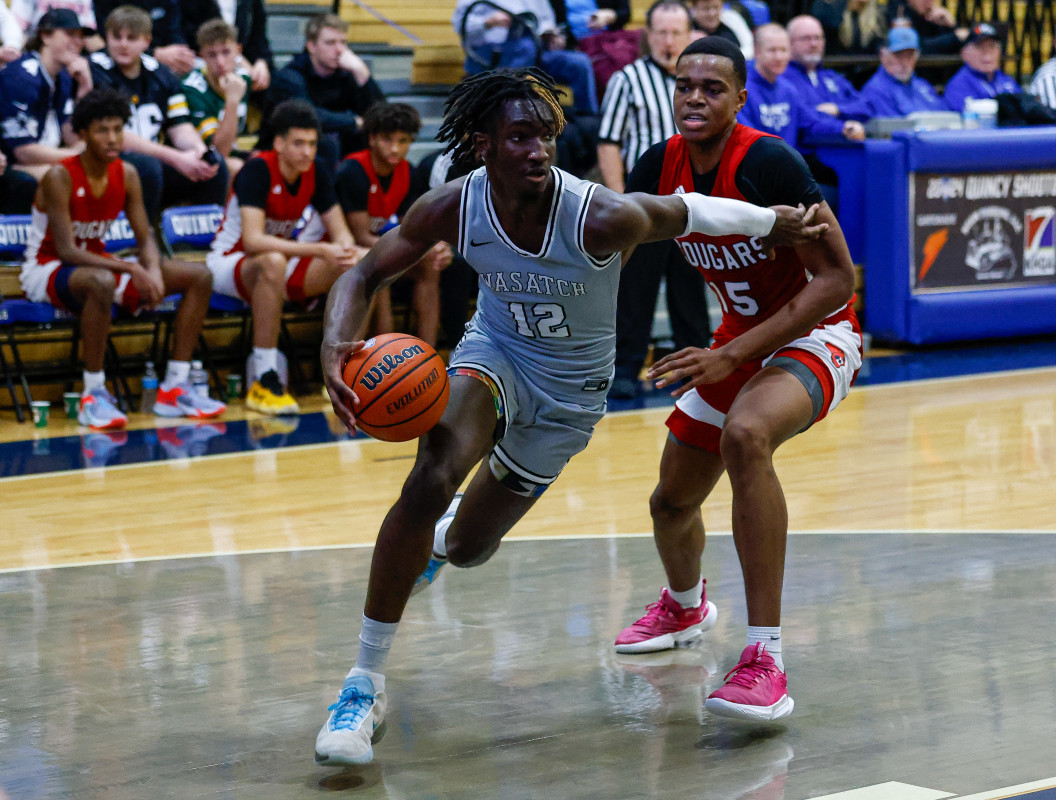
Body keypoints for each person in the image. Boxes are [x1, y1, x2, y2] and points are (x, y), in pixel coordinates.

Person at [312, 66, 829, 766]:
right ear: (482, 144)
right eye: (519, 136)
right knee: (430, 474)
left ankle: (438, 543)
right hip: (493, 356)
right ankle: (362, 684)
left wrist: (776, 221)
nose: (538, 150)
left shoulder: (597, 215)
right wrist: (336, 348)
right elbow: (360, 273)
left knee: (468, 548)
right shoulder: (453, 206)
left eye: (546, 137)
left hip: (568, 398)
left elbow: (689, 210)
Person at [612, 36, 860, 722]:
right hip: (737, 338)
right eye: (684, 85)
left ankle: (765, 658)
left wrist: (733, 352)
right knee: (670, 502)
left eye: (712, 88)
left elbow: (838, 276)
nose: (694, 97)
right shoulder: (656, 164)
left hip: (818, 331)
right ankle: (685, 610)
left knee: (746, 435)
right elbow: (618, 254)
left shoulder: (770, 162)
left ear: (740, 98)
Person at [21, 87, 226, 429]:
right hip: (47, 268)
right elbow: (68, 251)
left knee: (199, 276)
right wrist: (132, 268)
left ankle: (174, 386)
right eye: (103, 130)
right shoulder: (60, 175)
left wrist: (153, 270)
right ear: (83, 133)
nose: (113, 138)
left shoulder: (127, 173)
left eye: (118, 129)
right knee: (101, 281)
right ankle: (93, 393)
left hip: (95, 263)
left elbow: (145, 237)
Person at [207, 99, 364, 416]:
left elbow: (340, 230)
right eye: (298, 143)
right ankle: (265, 378)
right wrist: (322, 249)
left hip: (278, 264)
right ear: (278, 143)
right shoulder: (257, 170)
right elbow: (252, 242)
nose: (307, 151)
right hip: (229, 263)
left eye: (312, 143)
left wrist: (346, 248)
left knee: (362, 263)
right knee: (273, 261)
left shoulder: (315, 170)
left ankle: (346, 371)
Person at [597, 0, 710, 399]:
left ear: (688, 35)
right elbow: (609, 142)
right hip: (644, 206)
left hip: (691, 207)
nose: (667, 40)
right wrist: (618, 201)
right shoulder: (627, 79)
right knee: (634, 292)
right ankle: (626, 367)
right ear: (648, 35)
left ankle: (694, 369)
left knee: (690, 295)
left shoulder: (702, 82)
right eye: (660, 32)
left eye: (675, 33)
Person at [89, 5, 227, 221]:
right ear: (106, 37)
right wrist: (176, 158)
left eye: (132, 38)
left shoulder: (161, 74)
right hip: (109, 160)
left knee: (214, 164)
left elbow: (179, 125)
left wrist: (198, 151)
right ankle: (143, 242)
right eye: (117, 37)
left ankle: (207, 243)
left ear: (147, 40)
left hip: (154, 159)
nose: (123, 44)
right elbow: (115, 136)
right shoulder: (97, 69)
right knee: (146, 167)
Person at [335, 101, 451, 342]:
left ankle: (427, 354)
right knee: (378, 261)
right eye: (387, 139)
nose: (395, 149)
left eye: (403, 141)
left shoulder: (409, 171)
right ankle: (361, 358)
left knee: (431, 261)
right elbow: (361, 236)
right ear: (372, 139)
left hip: (380, 250)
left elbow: (411, 228)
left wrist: (434, 245)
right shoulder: (352, 171)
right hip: (345, 254)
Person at [265, 14, 385, 168]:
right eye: (330, 43)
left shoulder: (346, 73)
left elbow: (381, 116)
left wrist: (362, 73)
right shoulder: (289, 77)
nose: (340, 50)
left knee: (375, 139)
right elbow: (306, 116)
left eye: (343, 42)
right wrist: (353, 122)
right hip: (286, 152)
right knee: (326, 144)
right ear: (312, 46)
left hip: (335, 152)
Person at [451, 0, 600, 116]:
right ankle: (514, 118)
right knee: (524, 47)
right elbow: (460, 25)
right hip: (496, 56)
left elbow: (546, 19)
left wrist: (550, 33)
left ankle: (587, 122)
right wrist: (488, 22)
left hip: (536, 52)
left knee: (580, 63)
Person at [0, 9, 93, 181]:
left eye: (80, 36)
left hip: (46, 159)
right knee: (68, 179)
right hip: (12, 166)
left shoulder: (63, 76)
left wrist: (84, 92)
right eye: (70, 34)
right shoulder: (22, 77)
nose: (77, 42)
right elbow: (22, 151)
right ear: (45, 36)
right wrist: (78, 157)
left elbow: (71, 135)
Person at [741, 24, 864, 145]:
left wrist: (843, 127)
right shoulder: (741, 89)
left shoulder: (788, 89)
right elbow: (744, 136)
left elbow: (811, 121)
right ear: (757, 51)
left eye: (783, 50)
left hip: (786, 162)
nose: (779, 57)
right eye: (772, 50)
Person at [182, 19, 251, 178]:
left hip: (234, 150)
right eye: (212, 55)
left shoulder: (244, 78)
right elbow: (218, 153)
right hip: (198, 159)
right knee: (235, 167)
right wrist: (232, 102)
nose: (220, 62)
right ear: (201, 57)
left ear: (238, 51)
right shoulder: (193, 89)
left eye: (226, 52)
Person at [783, 14, 872, 121]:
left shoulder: (833, 77)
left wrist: (838, 109)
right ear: (788, 43)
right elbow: (802, 118)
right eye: (805, 38)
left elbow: (867, 107)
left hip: (845, 135)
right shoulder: (783, 79)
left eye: (818, 38)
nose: (814, 44)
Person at [181, 0, 272, 91]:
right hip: (200, 63)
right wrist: (237, 59)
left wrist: (261, 63)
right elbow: (190, 38)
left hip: (242, 62)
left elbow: (259, 38)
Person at [860, 26, 950, 116]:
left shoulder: (922, 85)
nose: (905, 62)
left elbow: (947, 116)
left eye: (910, 56)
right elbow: (892, 128)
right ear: (883, 55)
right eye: (898, 55)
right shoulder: (876, 90)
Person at [93, 0, 194, 75]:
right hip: (130, 58)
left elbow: (175, 31)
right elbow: (107, 37)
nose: (124, 44)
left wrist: (181, 53)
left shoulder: (170, 3)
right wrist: (154, 53)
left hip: (168, 56)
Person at [943, 22, 1020, 112]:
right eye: (979, 47)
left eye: (992, 47)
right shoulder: (958, 86)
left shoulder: (1007, 81)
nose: (987, 54)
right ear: (964, 54)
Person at [885, 0, 968, 54]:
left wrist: (951, 26)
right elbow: (913, 46)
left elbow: (963, 43)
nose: (929, 2)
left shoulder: (934, 16)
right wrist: (953, 37)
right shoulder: (899, 11)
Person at [809, 0, 885, 56]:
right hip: (837, 69)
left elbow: (880, 46)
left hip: (868, 70)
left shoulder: (877, 16)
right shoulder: (833, 11)